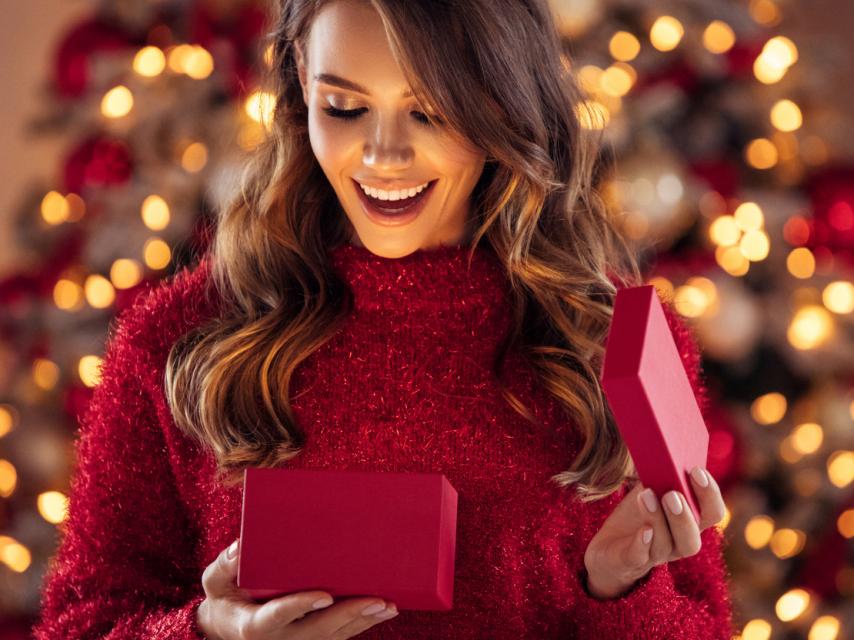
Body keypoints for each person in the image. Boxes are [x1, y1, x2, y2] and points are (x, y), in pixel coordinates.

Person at [33, 0, 736, 638]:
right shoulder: (184, 336)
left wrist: (616, 591)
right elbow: (81, 623)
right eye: (344, 109)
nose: (382, 156)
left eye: (431, 112)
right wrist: (206, 631)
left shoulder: (613, 342)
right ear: (302, 80)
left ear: (503, 103)